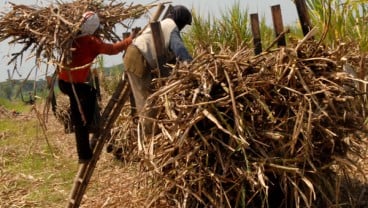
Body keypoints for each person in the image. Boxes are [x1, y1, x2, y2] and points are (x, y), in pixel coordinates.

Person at [58, 11, 136, 163]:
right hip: (73, 85)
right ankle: (84, 155)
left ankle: (90, 123)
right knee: (81, 119)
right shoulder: (91, 42)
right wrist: (129, 40)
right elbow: (112, 49)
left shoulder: (72, 37)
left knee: (90, 94)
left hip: (64, 82)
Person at [123, 5, 193, 136]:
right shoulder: (171, 27)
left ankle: (148, 132)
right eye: (183, 23)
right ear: (179, 20)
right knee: (147, 100)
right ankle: (148, 137)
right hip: (138, 58)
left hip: (137, 56)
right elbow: (179, 48)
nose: (183, 27)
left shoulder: (165, 25)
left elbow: (170, 53)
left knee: (149, 97)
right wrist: (189, 64)